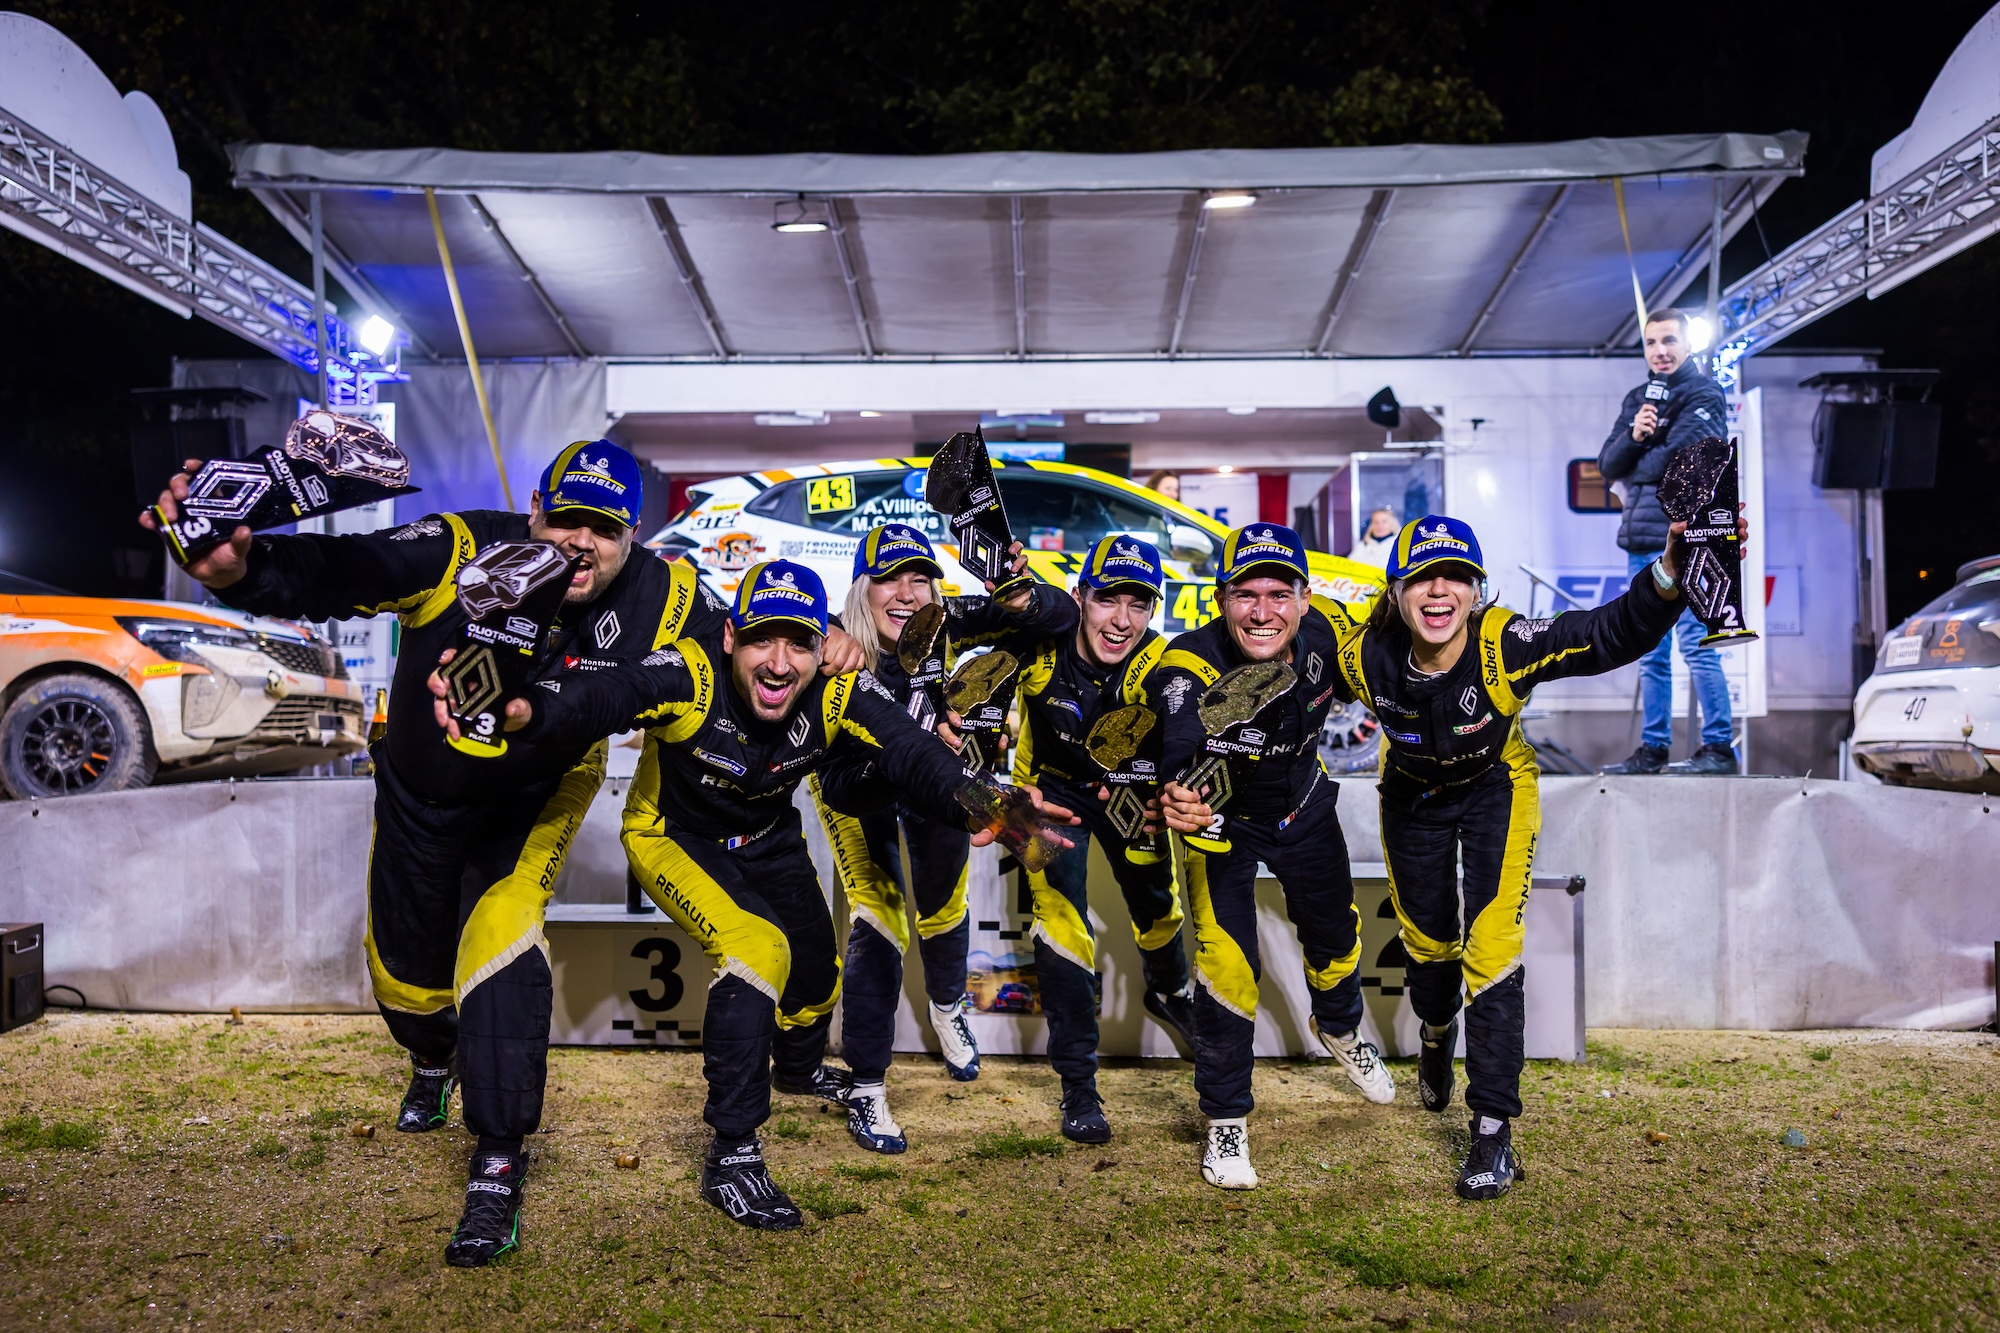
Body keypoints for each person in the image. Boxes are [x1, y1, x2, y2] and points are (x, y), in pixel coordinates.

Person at [141, 440, 862, 1265]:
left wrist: (834, 636)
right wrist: (244, 570)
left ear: (631, 535)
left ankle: (496, 1163)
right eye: (566, 519)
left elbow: (753, 639)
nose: (581, 542)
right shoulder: (461, 546)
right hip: (419, 795)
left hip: (535, 795)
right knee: (407, 992)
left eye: (604, 528)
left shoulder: (665, 594)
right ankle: (433, 1059)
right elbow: (347, 567)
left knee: (503, 942)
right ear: (534, 509)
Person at [450, 559, 1075, 1231]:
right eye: (760, 640)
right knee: (758, 949)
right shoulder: (691, 672)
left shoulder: (836, 689)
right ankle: (733, 1153)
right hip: (673, 835)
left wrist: (991, 805)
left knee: (816, 982)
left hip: (768, 836)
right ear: (730, 637)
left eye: (798, 643)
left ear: (821, 646)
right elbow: (607, 694)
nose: (778, 664)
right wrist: (526, 709)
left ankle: (797, 1072)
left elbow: (909, 749)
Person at [1309, 512, 1738, 1199]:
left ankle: (1491, 1131)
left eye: (1457, 576)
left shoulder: (1503, 643)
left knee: (1492, 951)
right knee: (1428, 947)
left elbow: (1608, 632)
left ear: (1477, 590)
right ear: (1395, 591)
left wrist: (1670, 573)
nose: (1439, 591)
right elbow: (1284, 645)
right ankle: (1436, 1032)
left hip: (1495, 791)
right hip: (1410, 795)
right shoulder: (1364, 654)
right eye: (1422, 578)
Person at [808, 522, 1077, 1154]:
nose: (906, 594)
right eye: (888, 580)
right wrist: (821, 628)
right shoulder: (835, 647)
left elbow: (1060, 619)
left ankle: (948, 1006)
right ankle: (866, 1086)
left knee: (944, 903)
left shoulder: (946, 619)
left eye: (920, 579)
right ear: (861, 589)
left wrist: (1024, 593)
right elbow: (841, 786)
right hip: (856, 785)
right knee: (879, 918)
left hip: (938, 776)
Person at [1154, 523, 1392, 1192]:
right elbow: (1177, 735)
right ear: (1220, 600)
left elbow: (1387, 662)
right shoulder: (1188, 661)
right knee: (1227, 969)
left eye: (1279, 594)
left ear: (1305, 598)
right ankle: (1226, 1118)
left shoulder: (1329, 629)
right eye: (1245, 595)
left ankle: (1340, 1029)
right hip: (1221, 825)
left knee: (1338, 940)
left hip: (1305, 808)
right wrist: (1177, 788)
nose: (1262, 612)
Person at [999, 533, 1198, 1144]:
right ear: (1080, 596)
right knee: (1061, 929)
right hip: (1044, 798)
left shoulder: (1161, 659)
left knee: (1158, 906)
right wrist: (1000, 805)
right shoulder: (1041, 645)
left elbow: (1185, 731)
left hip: (1129, 791)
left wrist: (1170, 785)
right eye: (1109, 599)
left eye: (1139, 604)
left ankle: (1170, 991)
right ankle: (1078, 1086)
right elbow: (971, 708)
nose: (1122, 620)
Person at [1598, 307, 1738, 775]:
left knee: (1697, 644)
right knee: (1649, 650)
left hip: (1690, 536)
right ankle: (1653, 748)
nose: (1660, 351)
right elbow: (1607, 464)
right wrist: (1636, 435)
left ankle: (1719, 748)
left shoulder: (1704, 392)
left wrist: (1639, 455)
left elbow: (1685, 458)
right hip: (1642, 539)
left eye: (1669, 341)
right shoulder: (1638, 399)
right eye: (1651, 342)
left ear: (1688, 344)